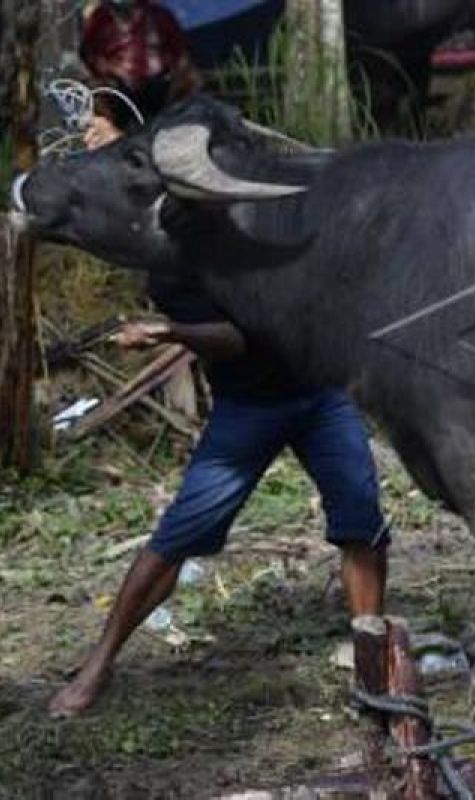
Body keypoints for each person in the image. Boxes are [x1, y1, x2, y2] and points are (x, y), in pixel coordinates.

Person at [47, 261, 391, 717]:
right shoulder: (174, 272)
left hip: (321, 392)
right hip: (248, 409)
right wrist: (172, 331)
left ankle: (373, 666)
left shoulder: (268, 234)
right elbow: (233, 340)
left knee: (361, 520)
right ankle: (99, 663)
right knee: (179, 535)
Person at [79, 0, 200, 146]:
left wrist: (120, 144)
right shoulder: (100, 105)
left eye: (154, 51)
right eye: (118, 59)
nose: (136, 70)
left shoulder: (196, 113)